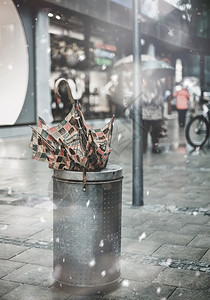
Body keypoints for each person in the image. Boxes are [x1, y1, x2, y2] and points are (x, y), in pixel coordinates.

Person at [141, 78, 164, 154]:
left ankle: (154, 146)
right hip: (147, 115)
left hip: (155, 115)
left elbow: (160, 102)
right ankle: (144, 146)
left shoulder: (158, 90)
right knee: (145, 132)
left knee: (155, 131)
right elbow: (144, 101)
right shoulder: (143, 90)